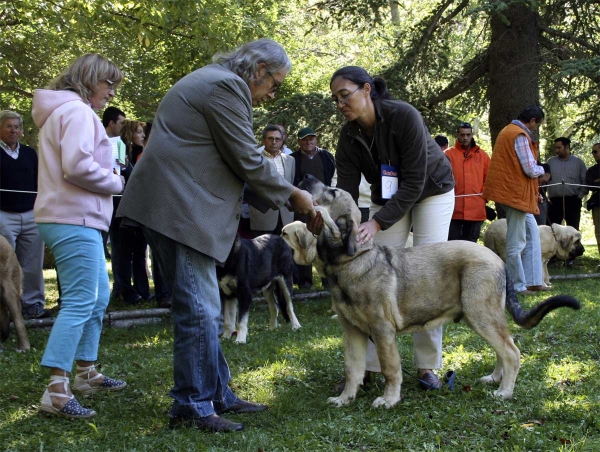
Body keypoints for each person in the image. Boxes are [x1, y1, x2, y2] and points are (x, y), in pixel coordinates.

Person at [117, 38, 314, 433]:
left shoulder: (213, 81)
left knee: (203, 305)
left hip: (177, 205)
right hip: (178, 208)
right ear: (257, 69)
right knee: (199, 308)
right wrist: (296, 197)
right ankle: (191, 405)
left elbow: (229, 159)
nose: (272, 95)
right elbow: (246, 156)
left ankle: (217, 391)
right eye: (274, 84)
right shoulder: (227, 86)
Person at [327, 66, 455, 390]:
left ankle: (427, 367)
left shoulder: (404, 116)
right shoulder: (348, 136)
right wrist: (336, 221)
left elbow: (413, 183)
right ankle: (368, 367)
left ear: (367, 90)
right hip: (390, 197)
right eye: (335, 99)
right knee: (372, 275)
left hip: (432, 191)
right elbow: (345, 193)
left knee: (429, 275)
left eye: (346, 95)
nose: (341, 104)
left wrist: (376, 221)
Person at [31, 53, 127, 420]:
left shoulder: (66, 112)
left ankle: (85, 372)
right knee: (81, 300)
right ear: (89, 81)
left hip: (72, 216)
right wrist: (117, 181)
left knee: (97, 296)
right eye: (108, 84)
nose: (111, 92)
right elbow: (78, 166)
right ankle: (57, 389)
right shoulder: (77, 112)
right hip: (74, 218)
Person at [482, 105, 550, 294]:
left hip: (515, 194)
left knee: (531, 235)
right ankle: (518, 286)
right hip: (514, 195)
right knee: (516, 242)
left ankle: (533, 280)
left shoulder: (508, 131)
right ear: (533, 121)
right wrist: (543, 170)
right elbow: (529, 168)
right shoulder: (518, 134)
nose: (536, 129)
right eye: (537, 125)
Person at [0, 110, 50, 320]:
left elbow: (41, 181)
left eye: (17, 127)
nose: (13, 130)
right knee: (4, 265)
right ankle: (8, 307)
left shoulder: (30, 153)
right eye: (8, 126)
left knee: (32, 263)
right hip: (3, 215)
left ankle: (33, 305)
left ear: (22, 130)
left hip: (30, 214)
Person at [291, 126, 336, 288]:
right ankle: (305, 282)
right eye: (304, 139)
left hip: (325, 206)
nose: (307, 142)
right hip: (302, 206)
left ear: (316, 139)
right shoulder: (292, 159)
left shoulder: (327, 156)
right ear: (299, 141)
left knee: (326, 243)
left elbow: (332, 179)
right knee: (304, 242)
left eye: (311, 138)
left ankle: (328, 280)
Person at [116, 119, 153, 304]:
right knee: (125, 254)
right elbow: (120, 176)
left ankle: (143, 290)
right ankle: (127, 291)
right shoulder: (120, 150)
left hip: (142, 211)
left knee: (140, 252)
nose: (143, 135)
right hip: (124, 212)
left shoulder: (144, 153)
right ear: (130, 133)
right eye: (139, 132)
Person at [445, 121, 490, 242]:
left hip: (476, 209)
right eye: (462, 135)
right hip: (453, 209)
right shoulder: (448, 155)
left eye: (468, 135)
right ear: (457, 135)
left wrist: (484, 197)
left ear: (472, 135)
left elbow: (489, 180)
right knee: (452, 245)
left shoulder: (483, 156)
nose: (465, 138)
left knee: (471, 247)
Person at [545, 137, 587, 266]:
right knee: (552, 228)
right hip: (554, 201)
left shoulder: (578, 162)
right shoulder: (550, 162)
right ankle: (552, 256)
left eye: (559, 147)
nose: (557, 150)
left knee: (573, 227)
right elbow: (544, 180)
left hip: (572, 200)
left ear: (567, 147)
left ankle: (571, 257)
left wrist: (580, 195)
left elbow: (585, 180)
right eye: (555, 148)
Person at [248, 125, 295, 236]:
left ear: (282, 140)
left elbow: (290, 185)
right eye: (270, 138)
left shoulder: (290, 160)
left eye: (277, 139)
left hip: (286, 217)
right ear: (264, 140)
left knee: (286, 252)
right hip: (263, 216)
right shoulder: (254, 159)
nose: (274, 142)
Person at [102, 106, 127, 299]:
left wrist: (120, 172)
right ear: (111, 123)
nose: (123, 126)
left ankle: (120, 287)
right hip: (98, 200)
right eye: (121, 123)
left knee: (119, 246)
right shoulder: (97, 139)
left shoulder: (121, 144)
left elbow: (119, 171)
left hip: (117, 202)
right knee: (99, 246)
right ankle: (98, 291)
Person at [585, 143, 600, 266]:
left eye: (595, 151)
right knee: (599, 233)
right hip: (597, 204)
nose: (593, 154)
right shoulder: (592, 170)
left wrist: (598, 181)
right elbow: (589, 184)